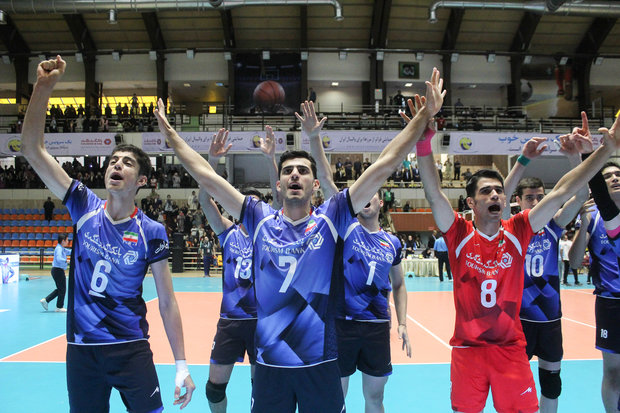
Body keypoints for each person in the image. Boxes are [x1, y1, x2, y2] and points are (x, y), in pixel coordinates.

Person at [154, 67, 445, 413]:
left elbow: (383, 165)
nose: (295, 174)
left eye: (303, 171)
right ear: (278, 185)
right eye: (288, 170)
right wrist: (171, 136)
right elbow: (206, 178)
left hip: (320, 363)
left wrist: (424, 117)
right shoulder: (258, 218)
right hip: (270, 364)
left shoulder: (331, 218)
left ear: (315, 185)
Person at [411, 94, 619, 412]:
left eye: (499, 190)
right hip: (468, 350)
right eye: (486, 191)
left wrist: (604, 151)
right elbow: (433, 192)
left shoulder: (519, 230)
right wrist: (423, 142)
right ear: (471, 204)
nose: (495, 193)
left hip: (510, 348)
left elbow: (564, 191)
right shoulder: (458, 234)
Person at [21, 55, 195, 412]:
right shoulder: (83, 206)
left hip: (130, 347)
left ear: (142, 181)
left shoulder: (153, 231)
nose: (117, 165)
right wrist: (43, 88)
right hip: (82, 351)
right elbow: (32, 151)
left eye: (127, 163)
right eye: (114, 160)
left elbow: (166, 300)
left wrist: (181, 365)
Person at [306, 103, 411, 412]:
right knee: (335, 398)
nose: (366, 198)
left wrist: (402, 322)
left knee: (375, 399)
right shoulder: (346, 228)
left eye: (373, 194)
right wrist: (314, 138)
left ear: (381, 202)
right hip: (342, 324)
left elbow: (400, 284)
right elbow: (325, 179)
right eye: (361, 194)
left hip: (378, 325)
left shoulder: (392, 242)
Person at [501, 131, 589, 413]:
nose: (536, 202)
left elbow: (582, 195)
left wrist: (574, 157)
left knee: (551, 384)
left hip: (550, 318)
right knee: (515, 383)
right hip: (519, 320)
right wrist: (523, 160)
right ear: (519, 201)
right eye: (529, 198)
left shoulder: (554, 225)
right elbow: (500, 195)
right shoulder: (512, 227)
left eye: (540, 196)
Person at [200, 125, 280, 412]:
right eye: (249, 205)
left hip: (263, 321)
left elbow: (279, 198)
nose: (255, 211)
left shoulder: (271, 233)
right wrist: (211, 160)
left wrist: (271, 159)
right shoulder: (227, 231)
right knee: (213, 389)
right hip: (231, 321)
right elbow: (204, 200)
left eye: (259, 206)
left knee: (261, 390)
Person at [568, 111, 620, 413]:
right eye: (609, 175)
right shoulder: (608, 221)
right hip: (611, 301)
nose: (614, 180)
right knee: (613, 371)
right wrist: (592, 152)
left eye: (618, 175)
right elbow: (598, 192)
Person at [40, 233, 70, 312]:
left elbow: (69, 251)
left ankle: (46, 300)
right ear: (63, 241)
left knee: (60, 289)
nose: (68, 241)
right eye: (67, 240)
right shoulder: (59, 249)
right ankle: (59, 307)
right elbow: (59, 259)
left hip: (57, 271)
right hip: (58, 271)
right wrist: (67, 261)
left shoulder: (61, 248)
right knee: (62, 289)